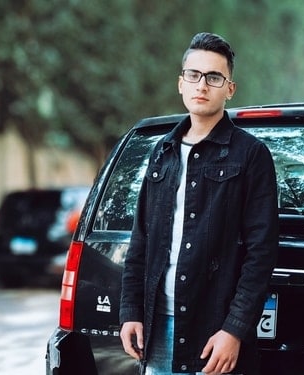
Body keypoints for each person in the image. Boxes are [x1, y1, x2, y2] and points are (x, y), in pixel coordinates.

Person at [119, 32, 278, 375]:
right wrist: (131, 311)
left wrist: (234, 329)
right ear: (181, 83)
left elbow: (261, 252)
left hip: (213, 330)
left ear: (229, 89)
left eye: (214, 77)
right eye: (193, 75)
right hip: (156, 325)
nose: (201, 85)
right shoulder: (161, 152)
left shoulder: (251, 155)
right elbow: (141, 242)